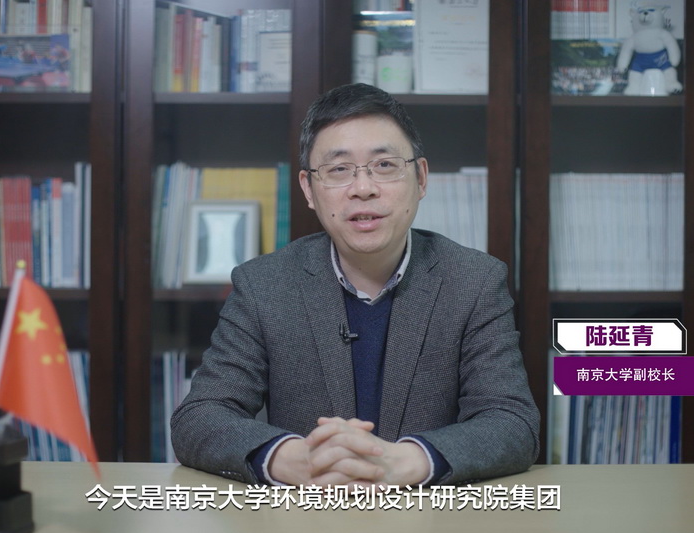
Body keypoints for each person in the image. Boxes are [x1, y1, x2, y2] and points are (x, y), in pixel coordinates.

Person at [171, 83, 539, 487]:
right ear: (309, 189)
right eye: (339, 170)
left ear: (420, 177)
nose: (363, 188)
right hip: (305, 513)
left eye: (385, 165)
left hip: (429, 514)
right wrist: (289, 458)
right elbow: (200, 416)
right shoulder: (264, 285)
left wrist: (410, 461)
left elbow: (511, 422)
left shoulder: (474, 281)